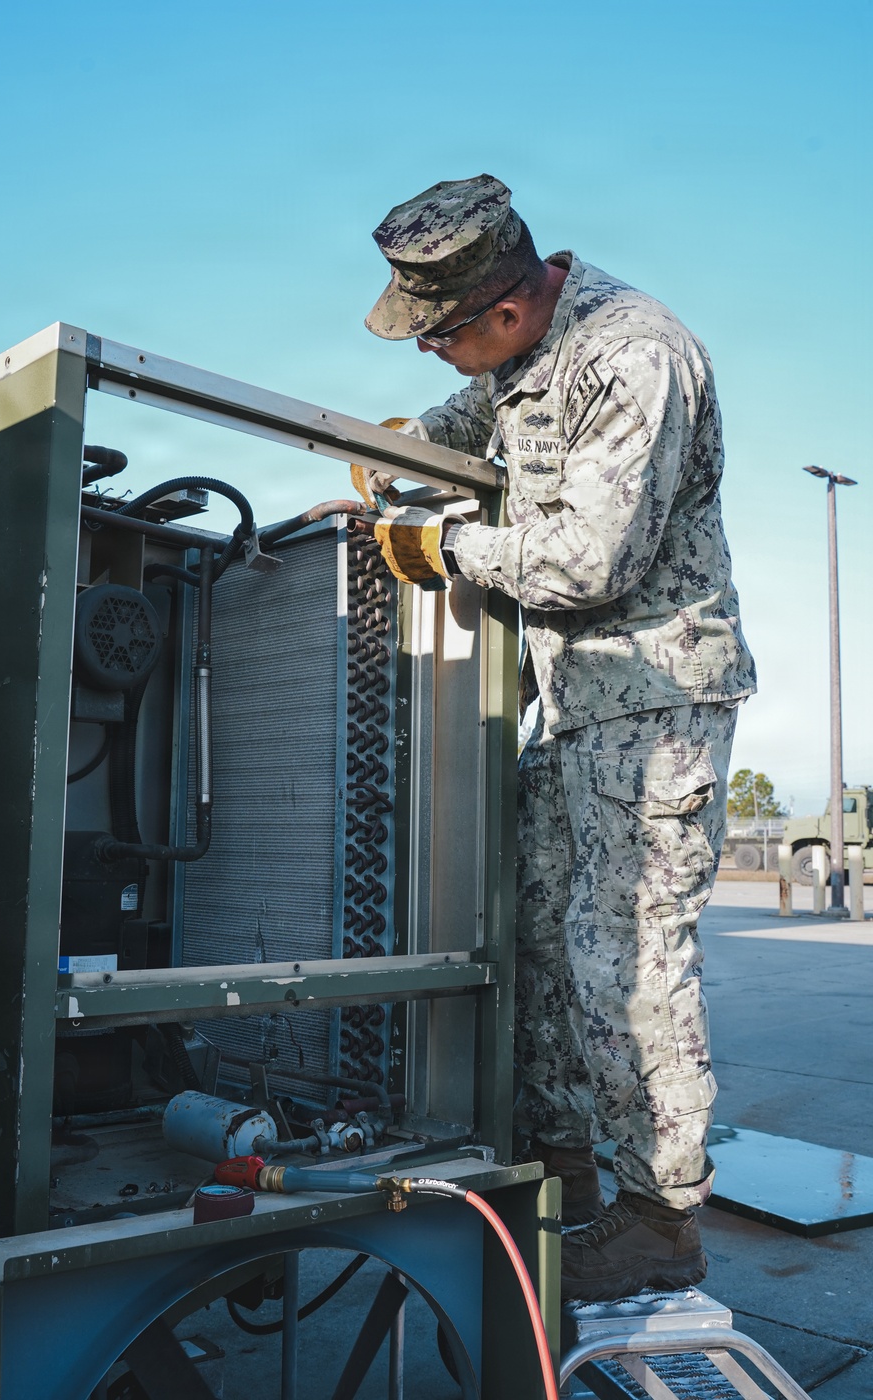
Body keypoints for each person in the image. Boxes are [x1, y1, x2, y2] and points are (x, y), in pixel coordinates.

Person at [362, 174, 756, 1302]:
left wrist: (442, 548)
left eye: (438, 334)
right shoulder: (518, 356)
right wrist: (384, 456)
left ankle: (660, 1219)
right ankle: (568, 1171)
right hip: (576, 705)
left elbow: (591, 560)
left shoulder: (634, 354)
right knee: (539, 943)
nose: (430, 351)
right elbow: (457, 427)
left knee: (629, 960)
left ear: (503, 308)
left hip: (654, 705)